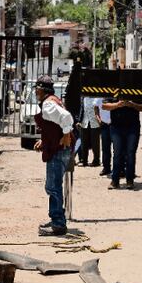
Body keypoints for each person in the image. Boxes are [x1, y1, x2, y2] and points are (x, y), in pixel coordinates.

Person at [32, 75, 74, 236]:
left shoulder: (48, 104)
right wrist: (45, 141)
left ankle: (58, 224)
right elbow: (55, 125)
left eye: (37, 89)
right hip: (58, 149)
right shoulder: (51, 101)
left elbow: (66, 117)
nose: (35, 91)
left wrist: (66, 134)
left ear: (42, 89)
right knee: (53, 186)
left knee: (53, 187)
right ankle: (56, 218)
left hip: (59, 150)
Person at [103, 94, 142, 189]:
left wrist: (131, 104)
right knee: (117, 153)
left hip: (132, 127)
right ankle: (115, 181)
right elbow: (104, 106)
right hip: (116, 127)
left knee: (131, 153)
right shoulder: (112, 91)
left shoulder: (135, 90)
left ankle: (130, 180)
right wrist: (117, 105)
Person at [77, 95, 102, 167]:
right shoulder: (83, 97)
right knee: (84, 143)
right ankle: (84, 161)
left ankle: (96, 161)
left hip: (95, 123)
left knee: (95, 143)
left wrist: (101, 120)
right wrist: (79, 121)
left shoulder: (97, 97)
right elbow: (82, 109)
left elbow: (100, 109)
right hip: (84, 123)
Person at [98, 97, 113, 176]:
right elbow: (96, 107)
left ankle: (119, 168)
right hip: (104, 125)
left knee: (118, 148)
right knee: (105, 148)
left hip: (115, 124)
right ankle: (106, 168)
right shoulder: (100, 96)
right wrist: (98, 119)